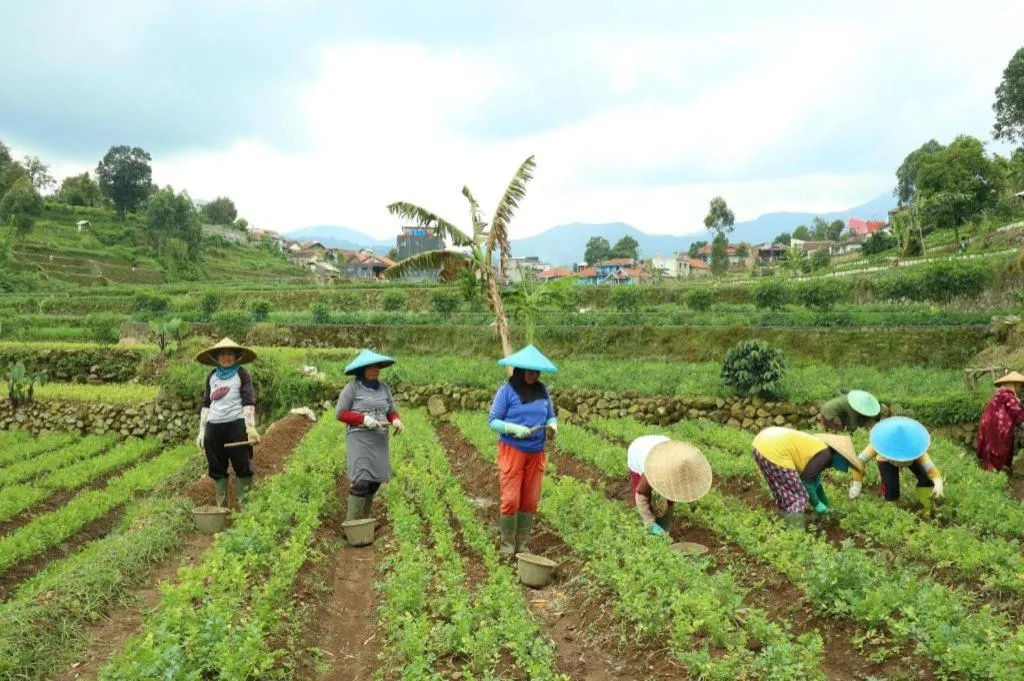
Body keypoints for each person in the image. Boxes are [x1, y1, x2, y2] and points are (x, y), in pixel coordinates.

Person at [488, 344, 558, 556]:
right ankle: (507, 547)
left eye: (537, 371)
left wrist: (553, 425)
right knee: (511, 499)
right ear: (519, 370)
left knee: (529, 499)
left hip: (536, 452)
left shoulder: (542, 390)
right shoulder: (507, 392)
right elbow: (493, 421)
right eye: (530, 371)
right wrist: (513, 428)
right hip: (513, 450)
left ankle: (523, 546)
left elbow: (550, 415)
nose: (534, 375)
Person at [336, 349, 404, 522]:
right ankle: (352, 523)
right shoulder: (352, 388)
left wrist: (396, 420)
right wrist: (364, 419)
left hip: (379, 439)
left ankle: (363, 520)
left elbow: (391, 412)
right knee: (362, 481)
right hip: (360, 437)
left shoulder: (384, 389)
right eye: (370, 367)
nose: (374, 370)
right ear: (361, 370)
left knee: (374, 482)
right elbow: (341, 413)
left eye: (377, 367)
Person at [751, 427, 863, 528]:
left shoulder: (820, 449)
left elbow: (815, 483)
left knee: (784, 491)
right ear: (840, 456)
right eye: (847, 462)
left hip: (762, 445)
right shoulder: (825, 455)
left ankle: (783, 523)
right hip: (775, 450)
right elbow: (807, 482)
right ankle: (794, 534)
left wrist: (826, 504)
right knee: (799, 496)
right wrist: (817, 504)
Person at [196, 338, 261, 507]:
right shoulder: (211, 376)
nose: (226, 358)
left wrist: (251, 427)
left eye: (230, 354)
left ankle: (244, 505)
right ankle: (221, 505)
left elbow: (248, 401)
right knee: (216, 465)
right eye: (222, 354)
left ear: (236, 356)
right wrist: (202, 431)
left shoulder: (242, 374)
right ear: (216, 357)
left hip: (236, 424)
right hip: (214, 426)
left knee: (242, 463)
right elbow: (206, 405)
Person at [849, 417, 944, 516]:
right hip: (885, 460)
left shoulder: (917, 450)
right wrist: (856, 484)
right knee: (891, 487)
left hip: (912, 456)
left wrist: (938, 483)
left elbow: (931, 470)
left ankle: (926, 505)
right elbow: (859, 461)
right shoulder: (879, 444)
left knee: (925, 478)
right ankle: (891, 511)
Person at [626, 435, 712, 537]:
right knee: (646, 500)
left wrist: (692, 502)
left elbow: (688, 487)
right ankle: (648, 532)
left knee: (672, 494)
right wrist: (650, 523)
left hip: (663, 445)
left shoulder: (683, 464)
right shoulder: (651, 471)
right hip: (638, 450)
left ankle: (663, 525)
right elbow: (641, 494)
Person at [976, 371, 1024, 474]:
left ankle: (989, 472)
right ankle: (993, 474)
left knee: (989, 447)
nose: (1021, 388)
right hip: (996, 426)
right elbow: (1015, 412)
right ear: (1013, 384)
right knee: (998, 448)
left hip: (987, 423)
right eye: (1020, 386)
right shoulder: (1009, 395)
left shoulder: (999, 394)